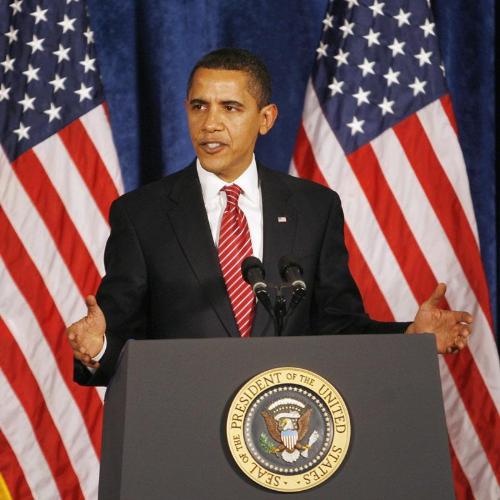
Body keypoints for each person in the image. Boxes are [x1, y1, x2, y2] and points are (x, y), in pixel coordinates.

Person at [67, 48, 472, 386]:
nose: (210, 123)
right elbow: (119, 339)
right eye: (199, 106)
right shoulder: (142, 214)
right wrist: (98, 347)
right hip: (184, 424)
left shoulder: (315, 208)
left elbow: (338, 327)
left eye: (230, 107)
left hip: (284, 428)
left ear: (266, 118)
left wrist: (411, 336)